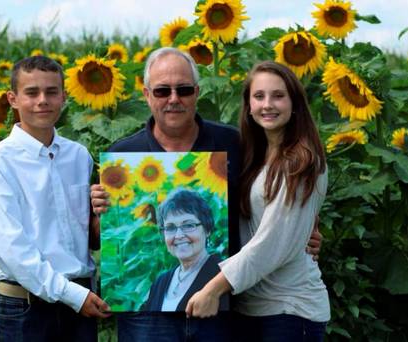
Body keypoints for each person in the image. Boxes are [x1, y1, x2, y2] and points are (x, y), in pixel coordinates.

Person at [90, 48, 322, 341]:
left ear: (197, 92)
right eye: (162, 91)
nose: (174, 99)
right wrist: (100, 214)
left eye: (184, 90)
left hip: (222, 312)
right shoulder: (121, 156)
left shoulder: (235, 143)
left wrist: (306, 230)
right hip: (147, 321)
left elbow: (272, 192)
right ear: (147, 95)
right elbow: (97, 239)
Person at [186, 60, 330, 341]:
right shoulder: (257, 156)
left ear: (295, 103)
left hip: (290, 308)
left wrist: (212, 289)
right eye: (259, 96)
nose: (268, 105)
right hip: (252, 308)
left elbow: (269, 244)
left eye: (278, 95)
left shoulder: (301, 162)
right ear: (248, 105)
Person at [0, 55, 110, 341]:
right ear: (13, 99)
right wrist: (72, 294)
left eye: (51, 92)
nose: (42, 101)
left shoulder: (79, 156)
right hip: (26, 308)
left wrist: (102, 213)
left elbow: (85, 235)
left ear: (63, 96)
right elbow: (11, 249)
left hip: (80, 304)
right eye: (32, 92)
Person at [143, 188, 230, 312]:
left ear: (207, 229)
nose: (178, 235)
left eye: (188, 225)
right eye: (170, 227)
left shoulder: (224, 277)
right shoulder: (160, 283)